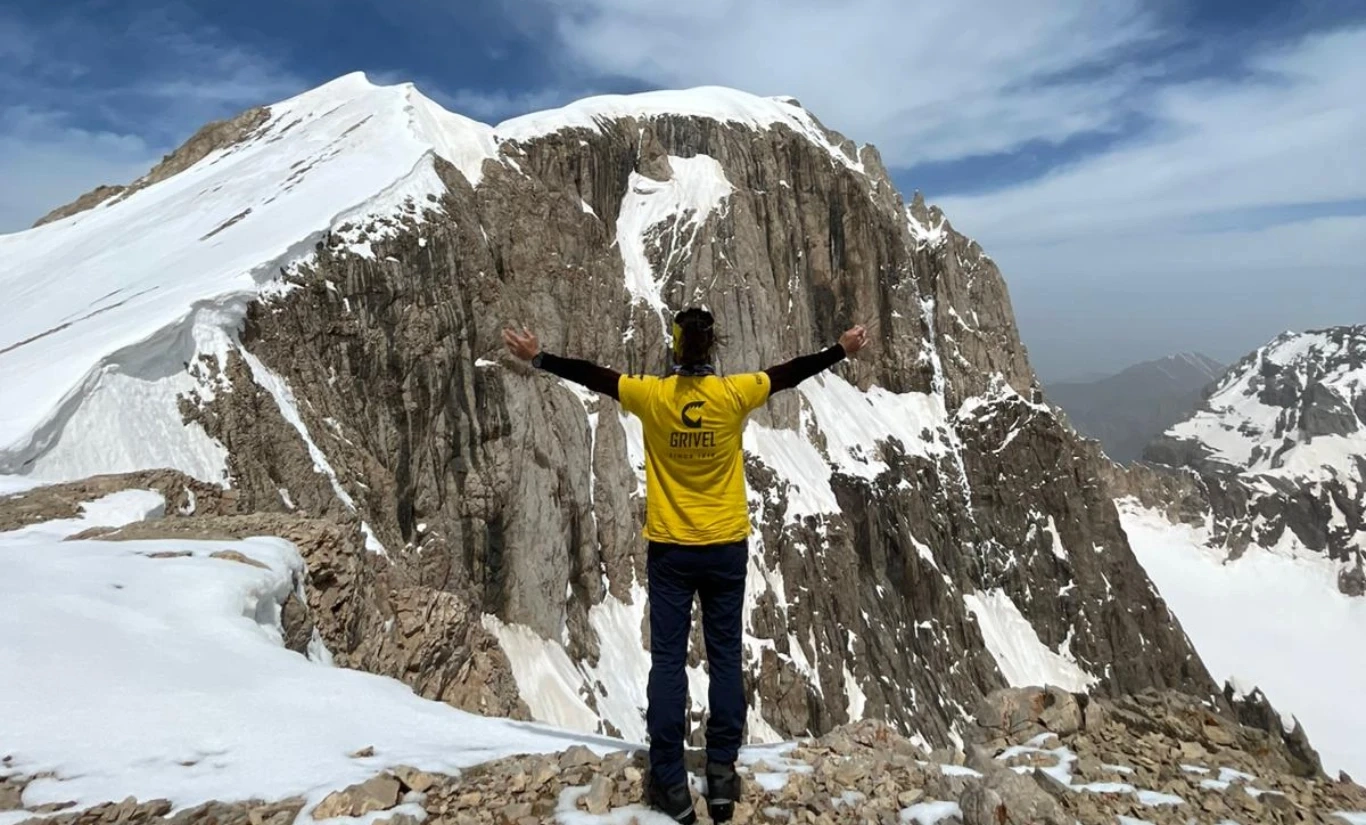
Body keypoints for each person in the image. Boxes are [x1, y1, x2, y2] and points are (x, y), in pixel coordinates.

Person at [502, 308, 869, 823]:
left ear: (675, 349)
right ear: (712, 348)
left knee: (669, 663)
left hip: (672, 551)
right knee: (724, 659)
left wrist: (539, 356)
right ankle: (721, 775)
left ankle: (671, 782)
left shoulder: (652, 398)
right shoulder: (734, 394)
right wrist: (840, 350)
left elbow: (595, 375)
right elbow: (789, 373)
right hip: (725, 549)